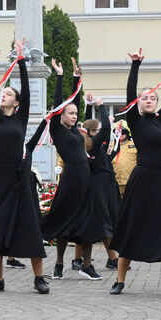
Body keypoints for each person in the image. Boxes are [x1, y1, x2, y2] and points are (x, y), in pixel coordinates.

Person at [110, 46, 161, 296]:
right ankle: (120, 281)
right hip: (142, 180)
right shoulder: (135, 120)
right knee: (133, 227)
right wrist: (135, 65)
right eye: (145, 97)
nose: (149, 100)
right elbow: (129, 94)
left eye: (152, 98)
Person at [0, 40, 49, 294]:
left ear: (17, 103)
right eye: (3, 92)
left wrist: (21, 60)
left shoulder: (20, 116)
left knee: (28, 227)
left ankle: (39, 277)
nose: (3, 94)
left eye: (9, 93)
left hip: (20, 178)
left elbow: (26, 91)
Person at [42, 58, 101, 280]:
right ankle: (58, 264)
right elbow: (59, 105)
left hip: (85, 180)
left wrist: (77, 78)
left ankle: (87, 265)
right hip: (71, 180)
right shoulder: (57, 129)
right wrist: (59, 76)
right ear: (62, 116)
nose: (75, 116)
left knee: (88, 223)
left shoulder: (77, 131)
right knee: (64, 223)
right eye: (71, 113)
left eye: (76, 113)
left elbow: (74, 100)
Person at [78, 94, 118, 272]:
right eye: (97, 129)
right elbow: (107, 128)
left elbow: (87, 124)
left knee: (100, 220)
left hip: (101, 182)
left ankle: (78, 258)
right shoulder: (93, 143)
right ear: (93, 132)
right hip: (100, 184)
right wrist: (101, 106)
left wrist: (87, 105)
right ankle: (112, 258)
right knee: (103, 221)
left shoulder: (88, 142)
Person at [113, 126, 136, 196]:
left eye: (122, 132)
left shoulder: (135, 144)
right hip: (115, 182)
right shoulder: (111, 145)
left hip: (130, 182)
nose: (120, 134)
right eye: (117, 132)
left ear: (128, 133)